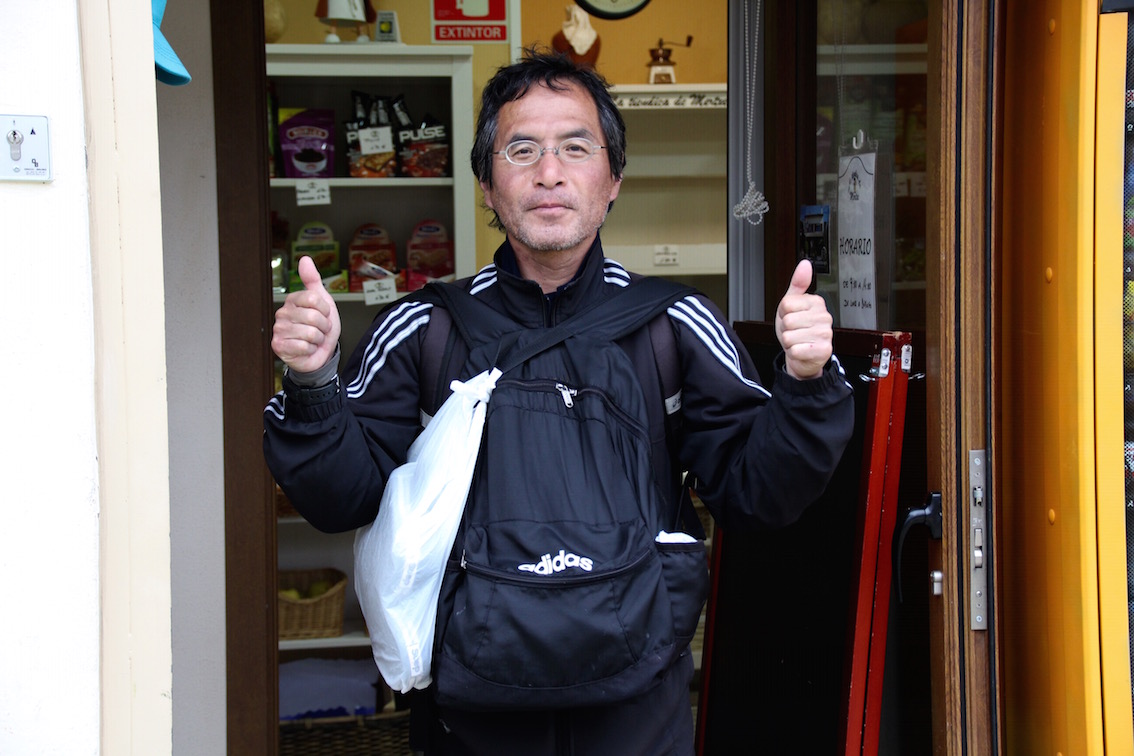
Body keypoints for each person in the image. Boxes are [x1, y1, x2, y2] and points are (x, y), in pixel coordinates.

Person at [265, 49, 854, 755]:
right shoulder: (426, 328)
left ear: (613, 180)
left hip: (638, 711)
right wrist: (313, 381)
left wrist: (807, 381)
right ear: (487, 186)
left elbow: (757, 496)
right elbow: (342, 499)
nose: (550, 172)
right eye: (522, 150)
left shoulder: (672, 324)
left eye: (576, 147)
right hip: (472, 715)